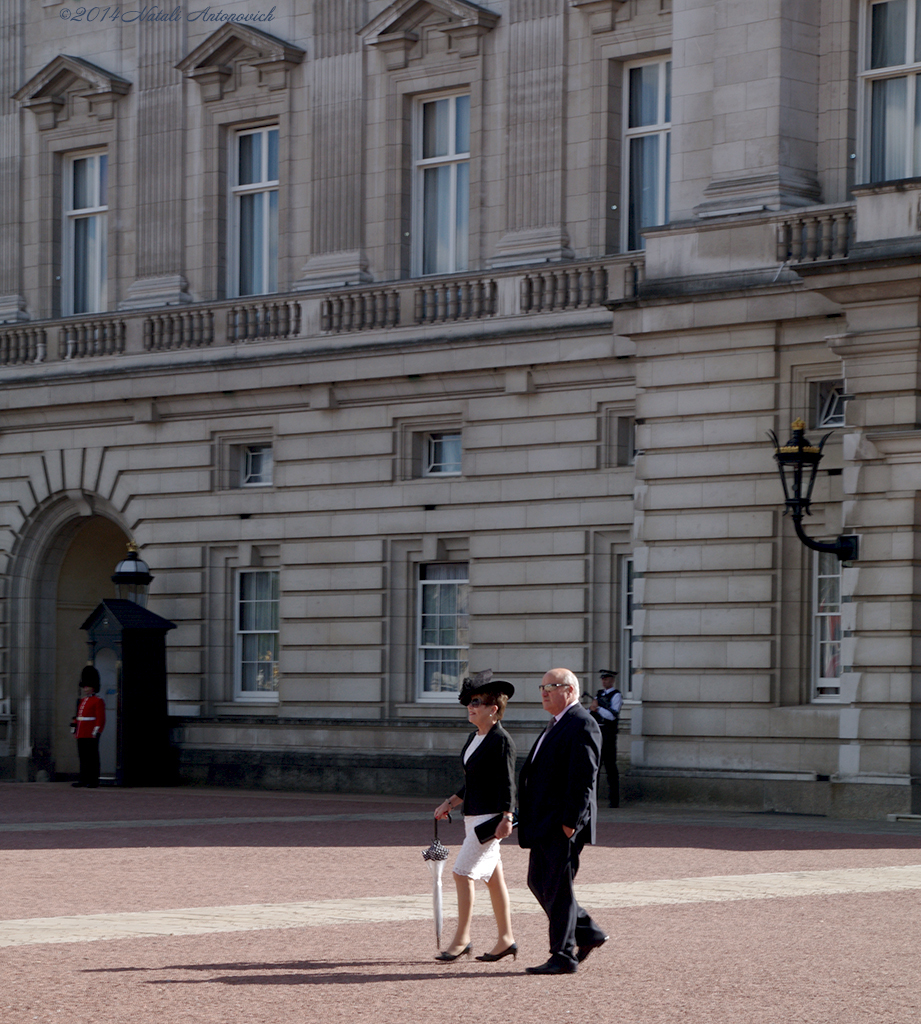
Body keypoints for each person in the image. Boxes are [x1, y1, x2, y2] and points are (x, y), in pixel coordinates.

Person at [517, 667, 607, 975]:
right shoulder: (557, 723)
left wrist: (571, 823)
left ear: (569, 690)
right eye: (541, 687)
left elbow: (584, 779)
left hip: (562, 824)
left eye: (551, 686)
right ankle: (587, 931)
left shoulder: (583, 723)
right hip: (543, 822)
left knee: (556, 887)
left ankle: (563, 954)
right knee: (540, 883)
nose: (543, 692)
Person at [433, 673, 517, 963]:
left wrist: (507, 816)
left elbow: (508, 784)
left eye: (477, 702)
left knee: (462, 872)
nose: (471, 707)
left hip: (490, 820)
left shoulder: (501, 740)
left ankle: (462, 938)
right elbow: (473, 781)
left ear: (493, 708)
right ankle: (506, 939)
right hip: (473, 815)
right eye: (469, 702)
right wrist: (450, 802)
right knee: (494, 879)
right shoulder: (474, 737)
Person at [590, 669, 623, 807]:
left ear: (612, 680)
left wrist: (597, 709)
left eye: (607, 679)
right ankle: (593, 800)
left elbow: (612, 715)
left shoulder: (616, 695)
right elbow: (591, 711)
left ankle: (614, 800)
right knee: (595, 767)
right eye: (603, 679)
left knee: (610, 768)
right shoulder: (599, 694)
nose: (605, 682)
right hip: (598, 733)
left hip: (609, 735)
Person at [71, 665, 105, 789]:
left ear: (93, 687)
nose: (85, 689)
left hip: (90, 732)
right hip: (81, 732)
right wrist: (74, 728)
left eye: (87, 686)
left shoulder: (98, 701)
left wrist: (96, 731)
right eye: (84, 686)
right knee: (83, 757)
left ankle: (93, 780)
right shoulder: (82, 701)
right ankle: (83, 779)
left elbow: (100, 718)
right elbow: (77, 716)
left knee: (92, 758)